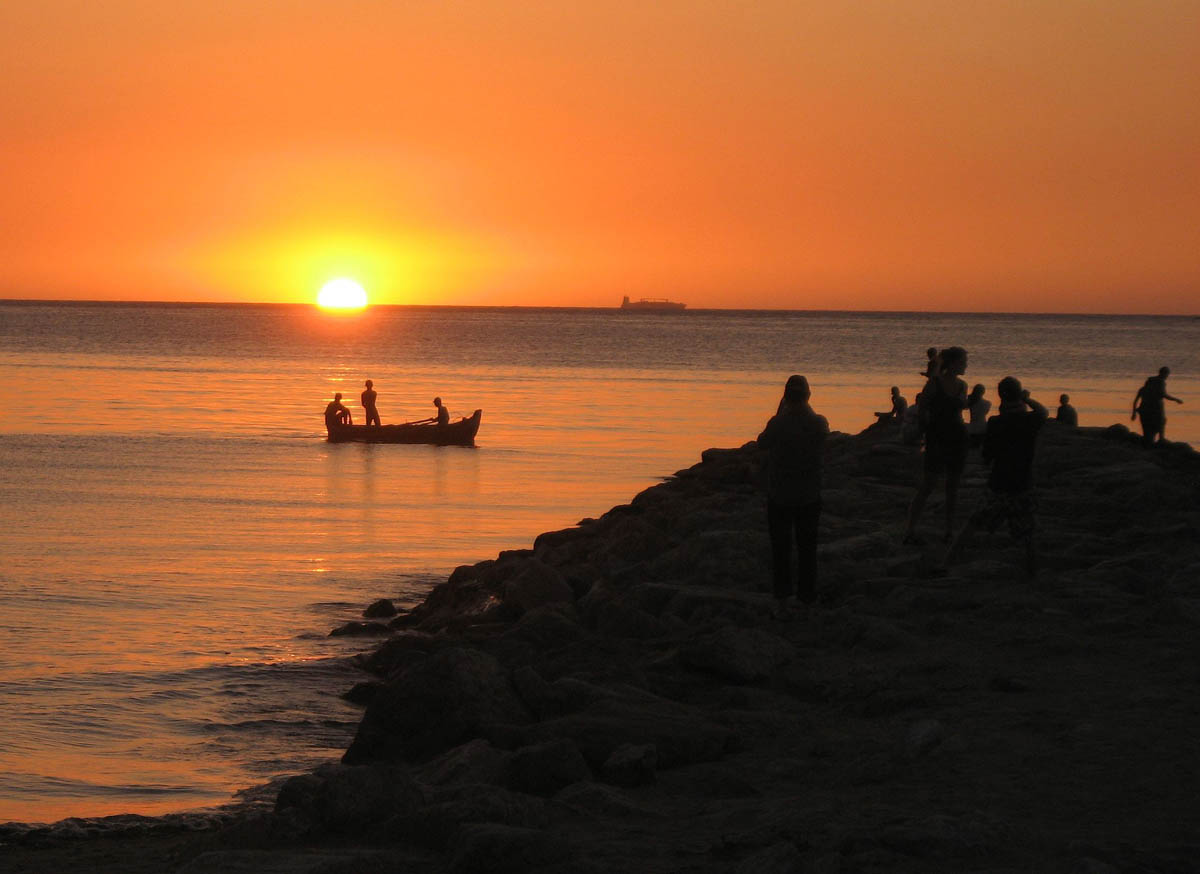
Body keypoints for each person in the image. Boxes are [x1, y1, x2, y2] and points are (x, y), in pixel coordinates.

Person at [947, 378, 1048, 577]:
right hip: (1022, 483)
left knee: (973, 523)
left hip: (999, 483)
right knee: (1027, 532)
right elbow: (1043, 412)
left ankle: (947, 561)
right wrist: (1027, 399)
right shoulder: (1030, 420)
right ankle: (1033, 571)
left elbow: (987, 457)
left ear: (1001, 396)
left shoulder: (995, 423)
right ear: (1019, 395)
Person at [758, 375, 829, 614]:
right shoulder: (819, 422)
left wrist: (780, 412)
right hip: (809, 493)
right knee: (807, 547)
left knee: (781, 548)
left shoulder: (778, 423)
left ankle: (782, 599)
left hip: (780, 494)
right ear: (808, 396)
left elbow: (762, 442)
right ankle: (806, 597)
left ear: (786, 397)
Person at [903, 345, 969, 544]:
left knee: (953, 487)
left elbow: (960, 410)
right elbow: (922, 410)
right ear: (953, 363)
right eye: (962, 362)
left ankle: (949, 531)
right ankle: (910, 530)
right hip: (937, 437)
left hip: (957, 437)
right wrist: (922, 432)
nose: (965, 365)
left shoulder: (962, 385)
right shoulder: (934, 383)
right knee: (928, 484)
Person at [1131, 367, 1182, 446]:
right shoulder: (1160, 382)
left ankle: (1149, 443)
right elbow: (1163, 394)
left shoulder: (1143, 388)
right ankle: (1161, 439)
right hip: (1155, 410)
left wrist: (1134, 413)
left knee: (1147, 429)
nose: (1167, 376)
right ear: (1164, 374)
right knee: (1161, 423)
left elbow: (1135, 401)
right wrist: (1176, 399)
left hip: (1144, 410)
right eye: (1167, 374)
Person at [966, 383, 991, 448]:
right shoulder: (988, 403)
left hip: (972, 427)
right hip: (983, 426)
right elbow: (985, 413)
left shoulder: (970, 402)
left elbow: (965, 407)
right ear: (983, 392)